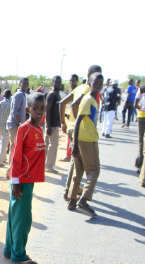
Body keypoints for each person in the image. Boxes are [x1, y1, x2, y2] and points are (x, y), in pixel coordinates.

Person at [6, 93, 46, 264]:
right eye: (35, 108)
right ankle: (19, 255)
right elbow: (15, 156)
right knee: (23, 218)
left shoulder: (39, 128)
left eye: (42, 108)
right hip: (21, 180)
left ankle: (10, 249)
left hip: (29, 180)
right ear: (28, 109)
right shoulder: (24, 128)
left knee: (15, 216)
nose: (39, 111)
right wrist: (15, 181)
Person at [60, 65, 102, 201]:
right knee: (77, 165)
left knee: (76, 162)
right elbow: (74, 105)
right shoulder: (88, 90)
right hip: (80, 130)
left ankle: (70, 193)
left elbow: (62, 103)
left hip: (73, 128)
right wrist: (81, 119)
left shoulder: (78, 88)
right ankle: (70, 192)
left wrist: (64, 122)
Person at [68, 72, 103, 217]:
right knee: (94, 171)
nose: (99, 86)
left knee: (79, 172)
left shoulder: (91, 99)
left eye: (101, 84)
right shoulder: (88, 99)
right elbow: (78, 121)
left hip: (84, 138)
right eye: (96, 83)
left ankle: (72, 201)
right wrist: (75, 144)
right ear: (90, 83)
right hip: (87, 139)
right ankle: (83, 200)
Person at [7, 78, 30, 173]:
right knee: (14, 147)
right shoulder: (19, 94)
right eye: (24, 83)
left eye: (27, 83)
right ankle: (10, 170)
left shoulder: (23, 95)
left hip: (17, 125)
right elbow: (14, 112)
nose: (25, 85)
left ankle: (13, 169)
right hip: (15, 125)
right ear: (20, 84)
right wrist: (21, 124)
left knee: (16, 147)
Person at [45, 76, 62, 172]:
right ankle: (49, 166)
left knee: (48, 145)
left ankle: (46, 165)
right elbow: (47, 111)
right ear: (53, 82)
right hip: (52, 125)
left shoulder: (57, 94)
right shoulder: (52, 95)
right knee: (53, 146)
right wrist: (49, 126)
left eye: (59, 82)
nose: (58, 84)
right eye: (56, 82)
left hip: (55, 124)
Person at [60, 74, 79, 162]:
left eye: (73, 80)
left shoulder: (77, 92)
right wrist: (68, 116)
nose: (71, 82)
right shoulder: (73, 91)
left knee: (71, 140)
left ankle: (69, 156)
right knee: (70, 140)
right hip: (71, 120)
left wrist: (63, 121)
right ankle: (70, 155)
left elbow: (63, 103)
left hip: (75, 122)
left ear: (77, 81)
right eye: (70, 80)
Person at [0, 89, 13, 167]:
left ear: (4, 95)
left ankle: (4, 158)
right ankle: (0, 161)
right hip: (7, 126)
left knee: (4, 142)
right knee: (4, 144)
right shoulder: (11, 104)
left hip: (0, 126)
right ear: (10, 95)